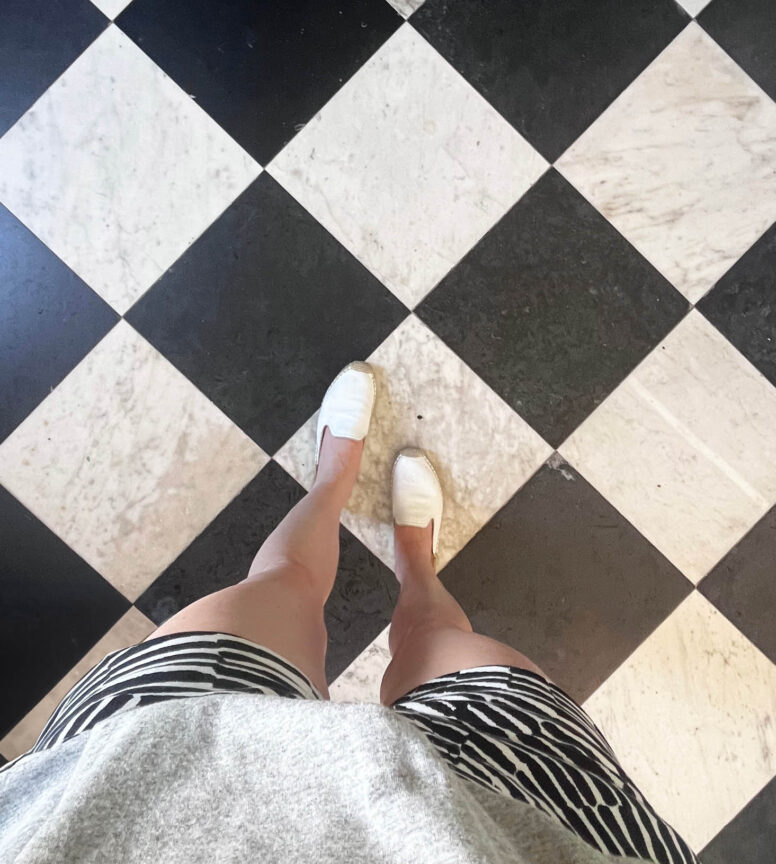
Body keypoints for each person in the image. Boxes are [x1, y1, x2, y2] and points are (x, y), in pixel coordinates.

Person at [0, 363, 697, 864]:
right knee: (443, 643)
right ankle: (404, 554)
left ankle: (345, 494)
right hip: (527, 823)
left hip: (153, 770)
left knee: (286, 584)